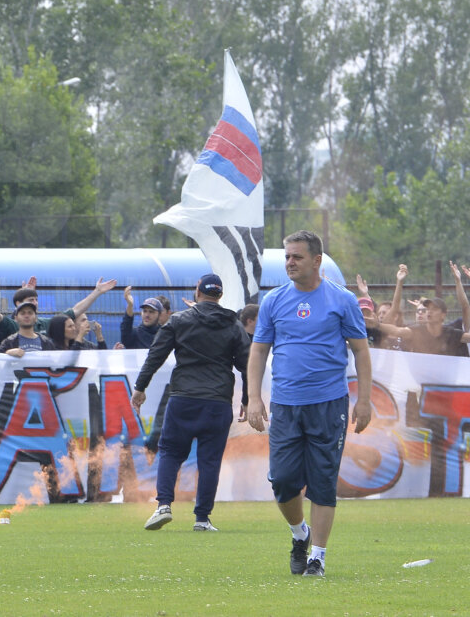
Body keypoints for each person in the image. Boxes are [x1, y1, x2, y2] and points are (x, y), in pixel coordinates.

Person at [246, 230, 372, 578]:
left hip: (329, 404)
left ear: (316, 261)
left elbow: (361, 351)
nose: (290, 262)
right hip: (286, 406)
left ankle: (318, 557)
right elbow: (258, 351)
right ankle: (300, 534)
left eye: (297, 257)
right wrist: (253, 397)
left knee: (322, 482)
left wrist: (364, 400)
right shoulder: (273, 301)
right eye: (287, 256)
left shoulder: (342, 299)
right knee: (283, 480)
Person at [132, 273, 249, 532]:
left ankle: (164, 505)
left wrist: (140, 388)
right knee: (210, 461)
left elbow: (156, 355)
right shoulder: (233, 324)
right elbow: (246, 365)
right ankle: (202, 519)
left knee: (170, 452)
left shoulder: (179, 320)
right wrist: (247, 399)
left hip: (183, 398)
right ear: (220, 294)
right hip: (217, 401)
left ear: (198, 291)